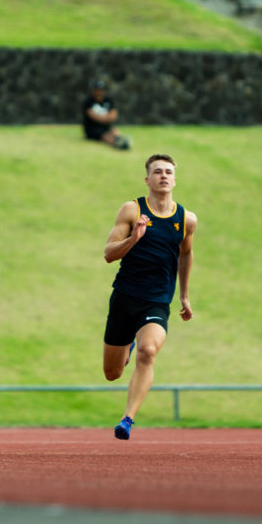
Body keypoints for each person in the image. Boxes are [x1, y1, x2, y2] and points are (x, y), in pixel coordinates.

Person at [104, 154, 196, 439]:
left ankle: (127, 419)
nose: (164, 176)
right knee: (112, 373)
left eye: (169, 172)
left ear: (175, 180)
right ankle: (128, 344)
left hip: (157, 302)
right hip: (124, 298)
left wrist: (184, 296)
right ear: (147, 179)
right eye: (158, 172)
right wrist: (134, 239)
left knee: (149, 351)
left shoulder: (186, 219)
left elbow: (186, 253)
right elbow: (108, 253)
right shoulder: (132, 211)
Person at [82, 79, 131, 150]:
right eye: (97, 90)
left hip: (105, 127)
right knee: (105, 135)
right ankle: (116, 144)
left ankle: (120, 141)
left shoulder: (108, 100)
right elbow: (92, 116)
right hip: (92, 128)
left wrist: (104, 118)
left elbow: (114, 115)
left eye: (101, 90)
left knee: (115, 131)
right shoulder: (89, 102)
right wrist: (106, 118)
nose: (99, 92)